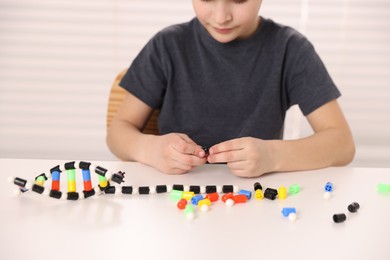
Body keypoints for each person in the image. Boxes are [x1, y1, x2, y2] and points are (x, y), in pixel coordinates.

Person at [106, 0, 355, 177]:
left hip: (256, 201)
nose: (221, 16)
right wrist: (151, 149)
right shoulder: (167, 46)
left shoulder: (290, 50)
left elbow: (342, 144)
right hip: (176, 199)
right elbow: (117, 132)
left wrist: (272, 155)